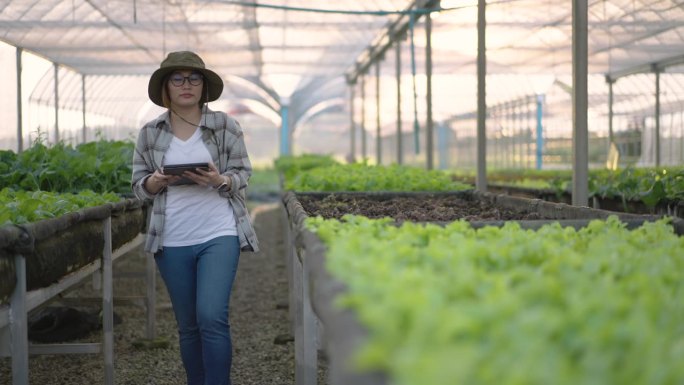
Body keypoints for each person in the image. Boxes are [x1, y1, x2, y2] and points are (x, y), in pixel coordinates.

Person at [131, 50, 259, 385]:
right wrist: (154, 181)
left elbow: (243, 172)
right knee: (188, 325)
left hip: (219, 232)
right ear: (166, 87)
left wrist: (221, 180)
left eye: (194, 77)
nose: (186, 84)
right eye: (178, 78)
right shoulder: (150, 133)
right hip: (171, 238)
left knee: (211, 316)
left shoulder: (224, 125)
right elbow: (138, 187)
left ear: (203, 85)